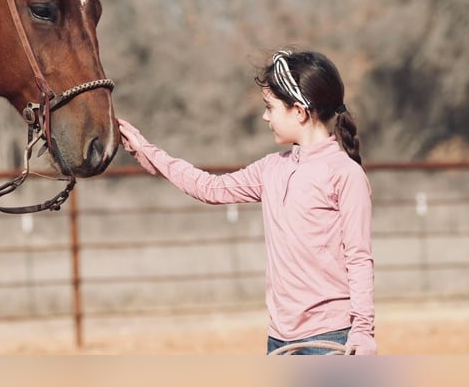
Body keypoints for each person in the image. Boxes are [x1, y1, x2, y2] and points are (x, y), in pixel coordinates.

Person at [118, 49, 376, 355]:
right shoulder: (271, 168)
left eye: (270, 107)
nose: (265, 116)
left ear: (299, 111)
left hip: (331, 337)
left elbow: (359, 258)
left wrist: (362, 331)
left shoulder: (345, 174)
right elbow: (211, 188)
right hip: (279, 338)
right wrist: (145, 151)